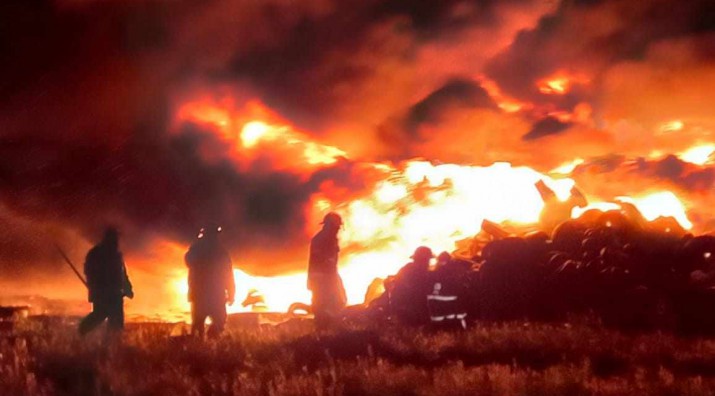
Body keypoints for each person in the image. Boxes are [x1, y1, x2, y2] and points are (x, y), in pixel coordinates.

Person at [79, 227, 134, 335]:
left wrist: (128, 289)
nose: (117, 241)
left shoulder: (116, 255)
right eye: (115, 238)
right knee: (99, 315)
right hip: (102, 293)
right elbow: (89, 271)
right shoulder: (96, 253)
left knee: (116, 324)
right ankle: (81, 332)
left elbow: (122, 273)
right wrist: (95, 286)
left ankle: (112, 346)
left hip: (115, 295)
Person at [185, 224, 235, 338]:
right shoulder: (221, 252)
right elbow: (228, 275)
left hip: (201, 295)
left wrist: (195, 244)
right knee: (217, 323)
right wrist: (231, 293)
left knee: (200, 325)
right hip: (214, 295)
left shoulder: (197, 249)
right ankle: (209, 344)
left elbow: (188, 260)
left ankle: (201, 346)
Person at [308, 212, 347, 329]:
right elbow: (320, 260)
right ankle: (323, 330)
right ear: (329, 226)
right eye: (336, 227)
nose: (338, 230)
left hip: (329, 276)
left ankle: (330, 329)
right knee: (322, 306)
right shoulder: (320, 240)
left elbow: (332, 262)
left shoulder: (331, 239)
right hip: (321, 279)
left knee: (338, 302)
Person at [391, 246, 435, 325]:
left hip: (409, 308)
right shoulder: (412, 271)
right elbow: (418, 293)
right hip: (407, 309)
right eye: (427, 260)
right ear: (422, 260)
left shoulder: (419, 271)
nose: (428, 263)